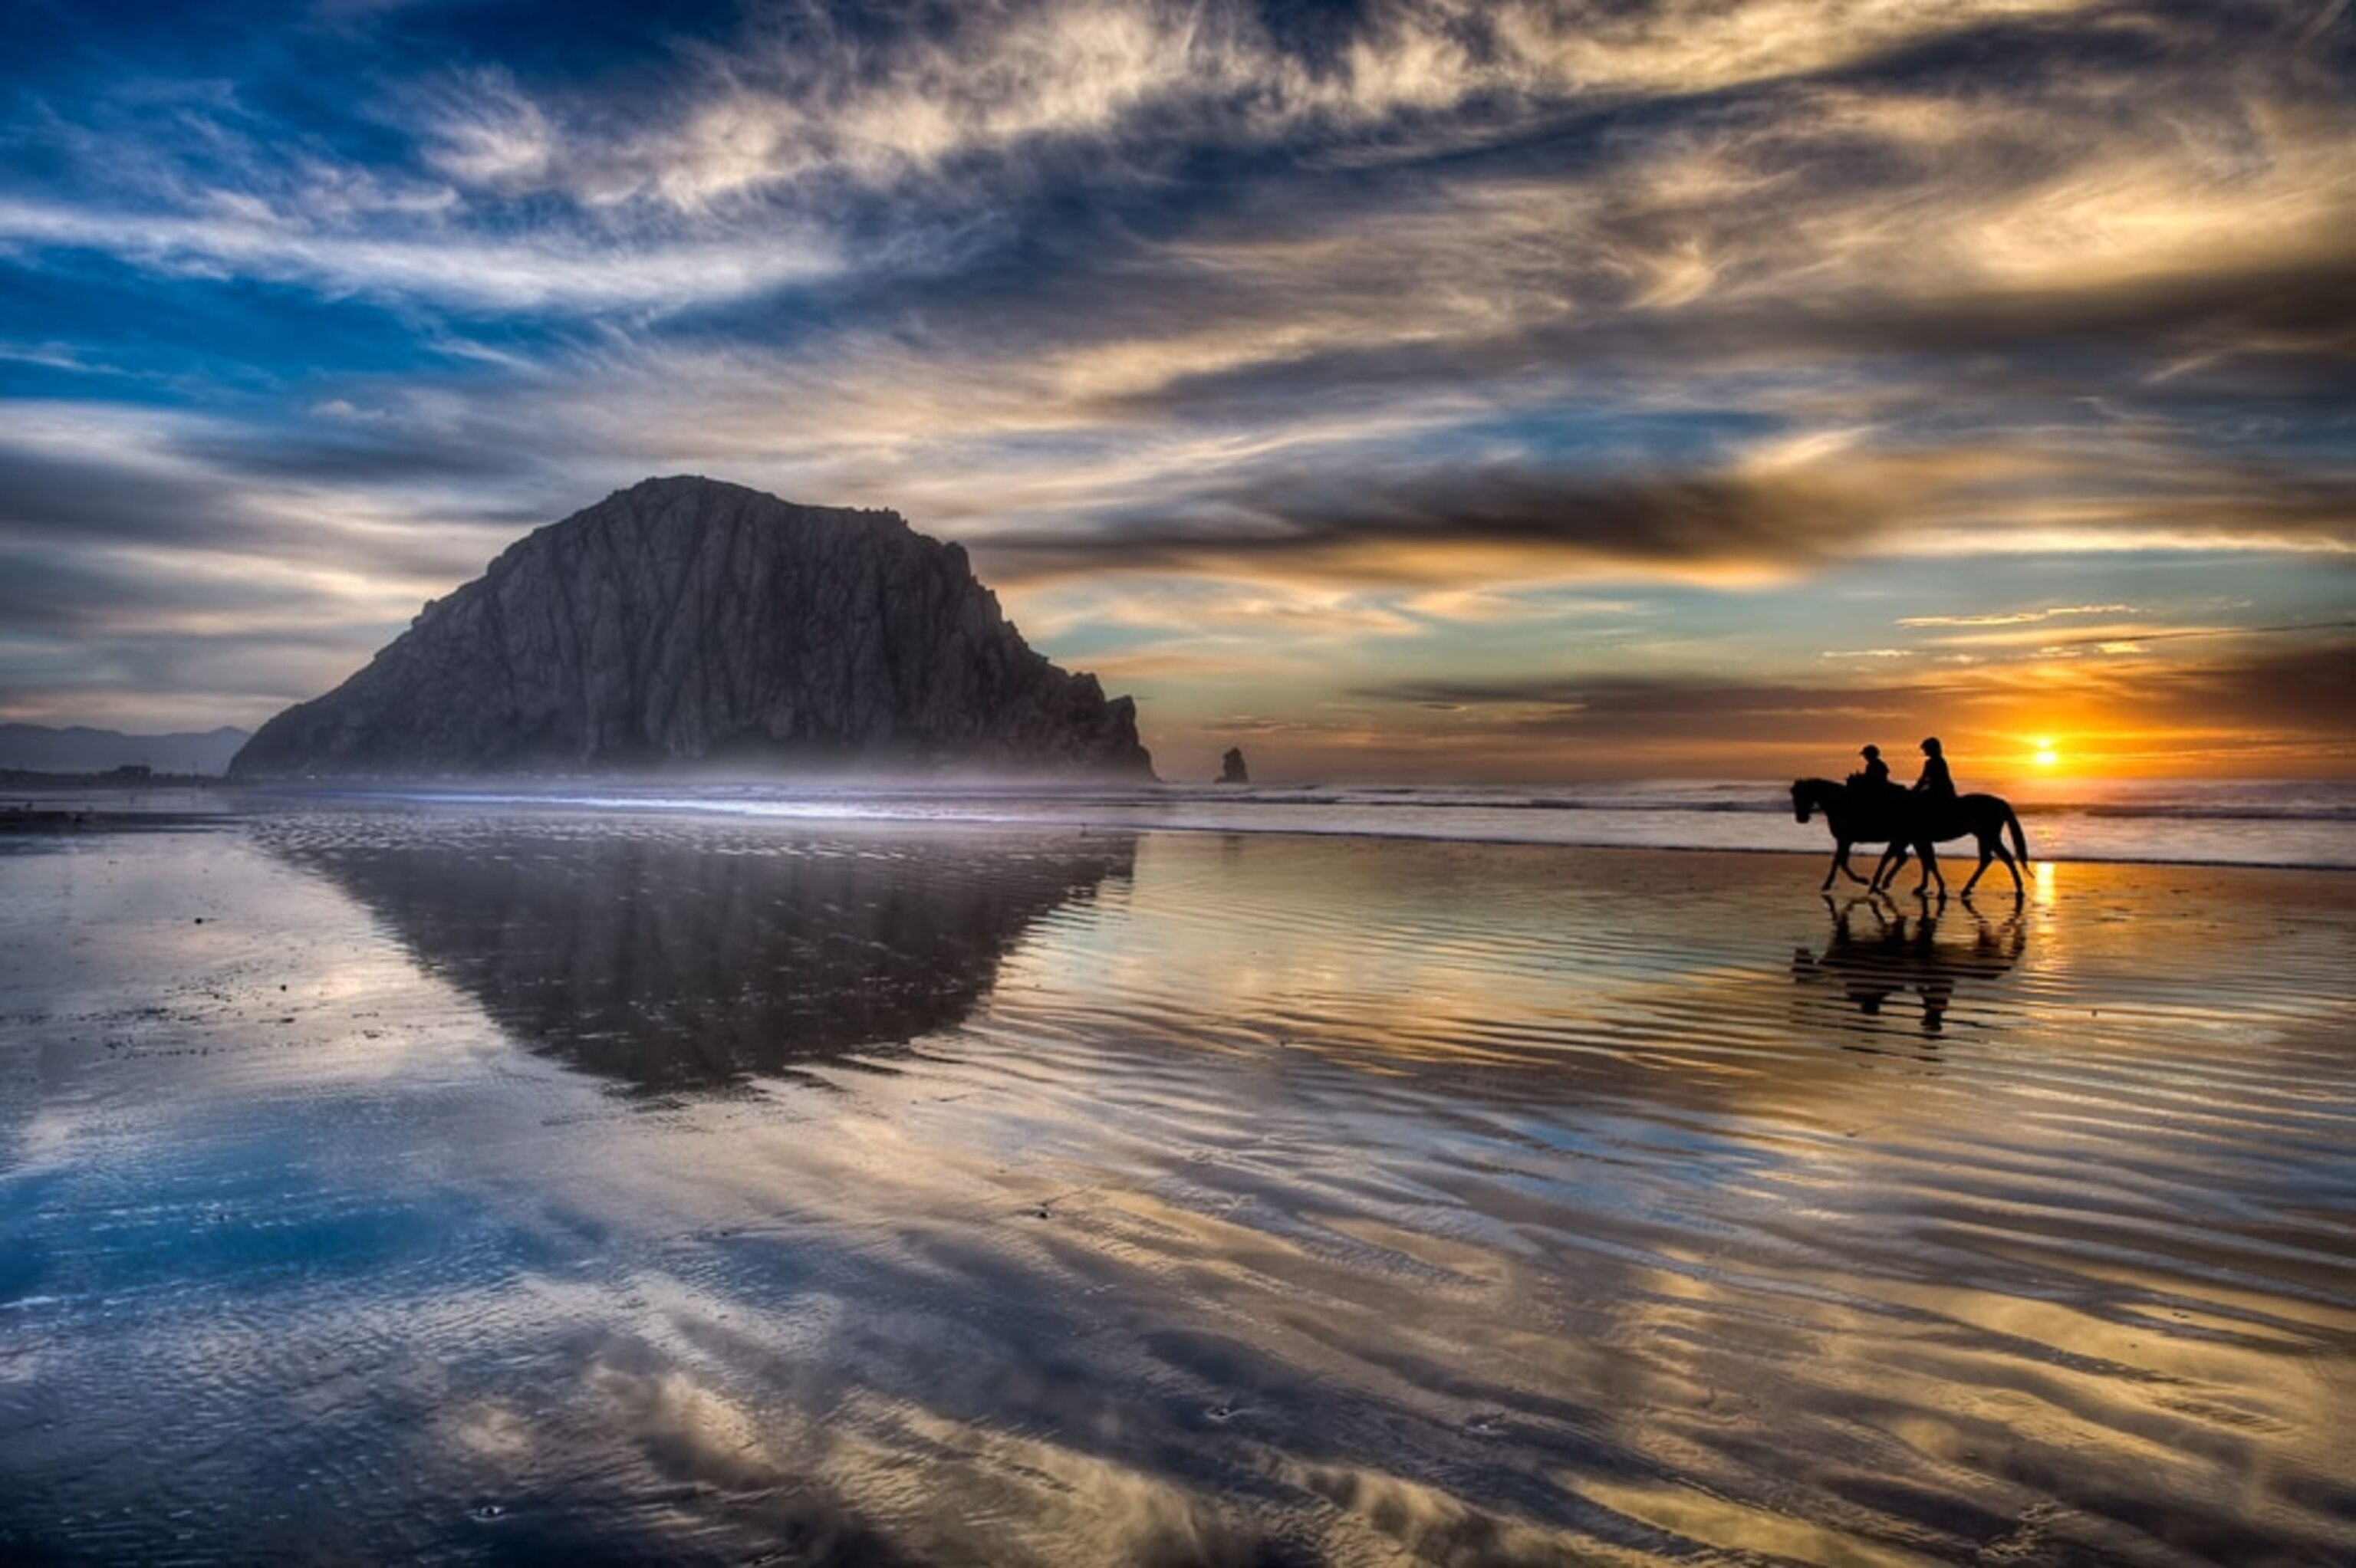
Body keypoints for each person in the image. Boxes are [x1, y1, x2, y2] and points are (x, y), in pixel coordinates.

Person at [1913, 736, 1956, 804]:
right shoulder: (1941, 761)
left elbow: (1923, 780)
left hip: (1939, 792)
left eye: (1926, 749)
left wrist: (1914, 790)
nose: (1925, 751)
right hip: (1945, 790)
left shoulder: (1931, 763)